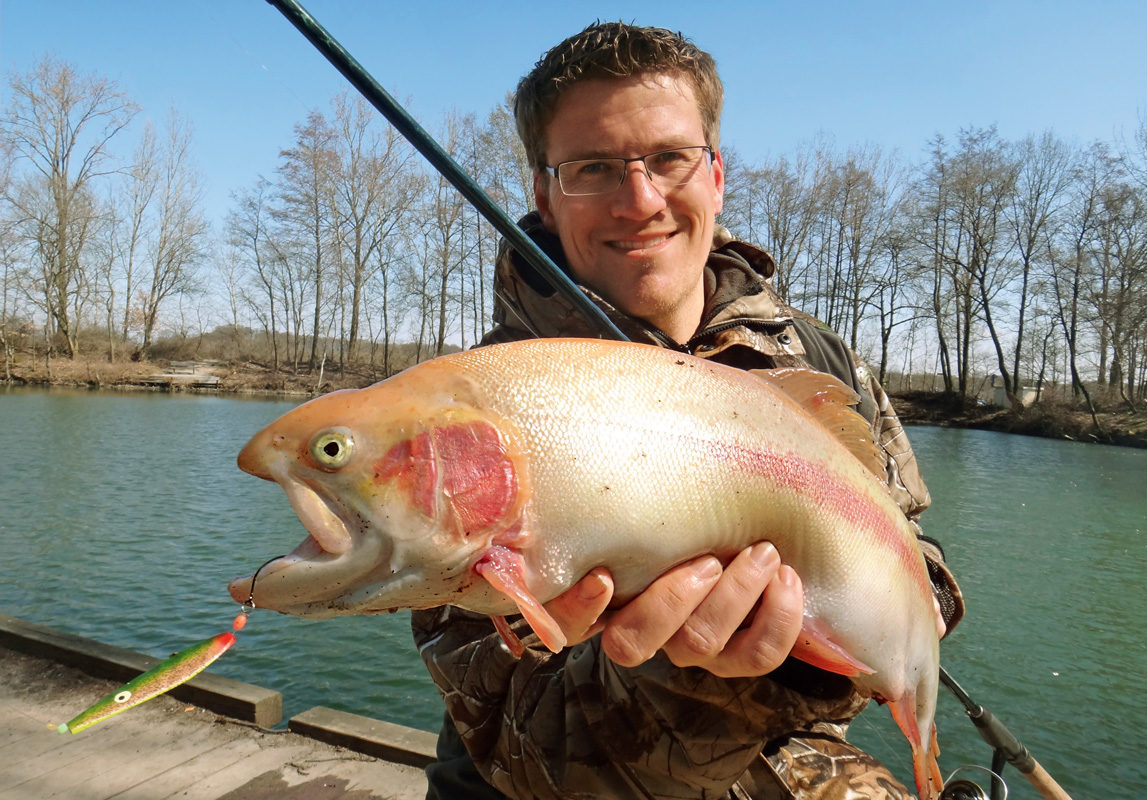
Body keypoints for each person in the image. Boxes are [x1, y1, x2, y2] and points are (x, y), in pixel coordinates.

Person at [411, 21, 963, 800]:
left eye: (669, 158)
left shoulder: (821, 361)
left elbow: (912, 538)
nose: (640, 200)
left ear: (715, 174)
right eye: (593, 168)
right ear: (542, 193)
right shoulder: (470, 422)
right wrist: (706, 678)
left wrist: (920, 604)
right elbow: (526, 748)